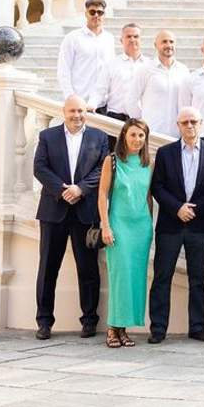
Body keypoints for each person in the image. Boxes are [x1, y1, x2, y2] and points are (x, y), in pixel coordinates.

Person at [33, 95, 111, 340]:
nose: (77, 115)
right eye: (72, 111)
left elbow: (104, 168)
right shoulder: (48, 136)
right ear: (63, 112)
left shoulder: (99, 137)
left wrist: (81, 189)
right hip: (53, 210)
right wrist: (62, 189)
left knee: (88, 269)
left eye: (80, 111)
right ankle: (44, 322)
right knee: (47, 268)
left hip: (85, 212)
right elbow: (39, 167)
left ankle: (89, 320)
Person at [148, 106, 204, 343]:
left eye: (193, 122)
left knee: (198, 279)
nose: (189, 126)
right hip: (170, 225)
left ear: (201, 123)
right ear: (178, 125)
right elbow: (157, 186)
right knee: (162, 278)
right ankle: (158, 329)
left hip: (199, 226)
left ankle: (197, 327)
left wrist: (194, 209)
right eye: (185, 122)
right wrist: (177, 208)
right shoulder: (165, 153)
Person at [98, 118, 154, 348]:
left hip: (141, 228)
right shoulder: (111, 161)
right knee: (120, 277)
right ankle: (112, 328)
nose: (137, 140)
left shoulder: (148, 163)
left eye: (141, 136)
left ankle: (124, 329)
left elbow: (148, 196)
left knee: (135, 279)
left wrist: (150, 224)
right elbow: (102, 195)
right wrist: (105, 226)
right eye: (133, 135)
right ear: (124, 136)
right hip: (118, 225)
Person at [130, 30, 190, 137]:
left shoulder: (183, 70)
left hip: (176, 135)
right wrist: (141, 123)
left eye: (171, 42)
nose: (168, 45)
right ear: (156, 45)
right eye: (164, 42)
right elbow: (131, 99)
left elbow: (187, 102)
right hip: (152, 133)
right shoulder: (145, 69)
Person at [57, 0, 115, 108]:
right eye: (92, 12)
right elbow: (63, 70)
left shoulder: (109, 39)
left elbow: (111, 69)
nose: (96, 15)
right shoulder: (72, 38)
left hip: (102, 103)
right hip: (79, 102)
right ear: (86, 14)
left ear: (104, 15)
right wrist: (71, 97)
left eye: (100, 12)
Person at [94, 23, 145, 123]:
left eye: (136, 36)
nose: (132, 39)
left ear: (141, 40)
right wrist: (92, 104)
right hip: (115, 118)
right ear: (121, 40)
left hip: (140, 120)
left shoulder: (149, 65)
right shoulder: (111, 64)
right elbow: (100, 89)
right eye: (128, 36)